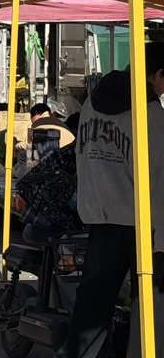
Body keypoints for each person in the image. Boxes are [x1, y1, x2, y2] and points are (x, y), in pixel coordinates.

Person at [61, 43, 164, 358]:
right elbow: (156, 175)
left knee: (93, 300)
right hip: (144, 222)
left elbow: (84, 155)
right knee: (149, 302)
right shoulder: (149, 111)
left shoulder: (93, 101)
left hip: (101, 215)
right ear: (157, 74)